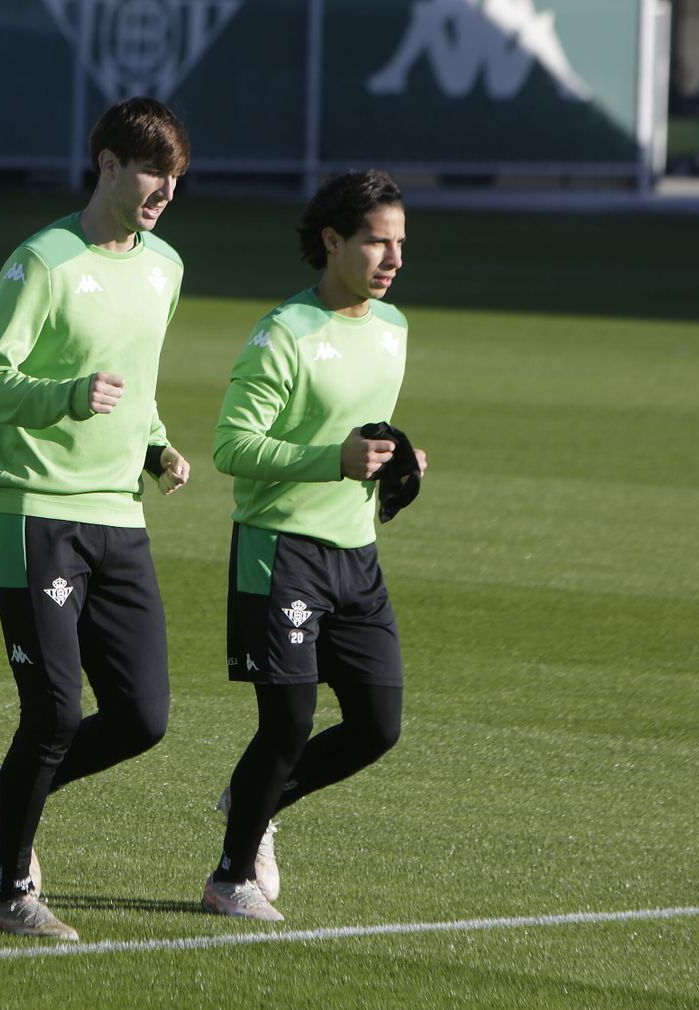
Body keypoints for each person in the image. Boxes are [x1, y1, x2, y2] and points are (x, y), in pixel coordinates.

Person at [0, 96, 193, 941]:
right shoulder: (43, 262)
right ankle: (10, 893)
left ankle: (7, 789)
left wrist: (157, 447)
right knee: (54, 713)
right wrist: (64, 396)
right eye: (152, 172)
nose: (165, 190)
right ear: (107, 166)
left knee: (142, 718)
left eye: (175, 177)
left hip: (119, 517)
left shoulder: (165, 267)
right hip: (34, 513)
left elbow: (138, 379)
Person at [203, 169, 426, 921]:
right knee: (288, 722)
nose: (393, 258)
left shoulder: (393, 329)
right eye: (377, 242)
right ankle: (231, 879)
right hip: (282, 552)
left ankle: (256, 799)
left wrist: (397, 459)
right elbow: (232, 446)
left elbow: (361, 432)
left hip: (356, 555)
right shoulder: (284, 334)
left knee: (377, 726)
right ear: (332, 240)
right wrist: (332, 460)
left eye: (401, 243)